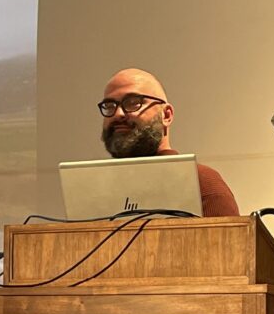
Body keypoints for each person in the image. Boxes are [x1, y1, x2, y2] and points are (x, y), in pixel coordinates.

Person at [99, 68, 239, 216]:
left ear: (166, 115)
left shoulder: (201, 184)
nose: (118, 114)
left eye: (133, 102)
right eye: (109, 106)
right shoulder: (97, 190)